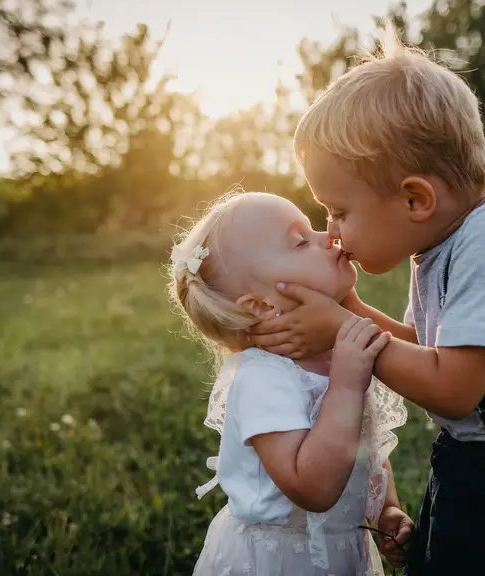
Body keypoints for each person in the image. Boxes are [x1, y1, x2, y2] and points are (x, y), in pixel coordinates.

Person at [248, 26, 485, 575]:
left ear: (415, 198)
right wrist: (350, 309)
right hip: (471, 465)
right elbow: (425, 347)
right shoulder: (442, 244)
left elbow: (453, 386)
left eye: (339, 211)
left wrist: (341, 331)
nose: (333, 232)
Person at [168, 190, 412, 575]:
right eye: (301, 242)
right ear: (263, 306)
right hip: (278, 561)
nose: (326, 236)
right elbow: (311, 487)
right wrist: (346, 385)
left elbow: (364, 450)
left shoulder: (337, 353)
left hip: (342, 553)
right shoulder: (263, 377)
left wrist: (386, 509)